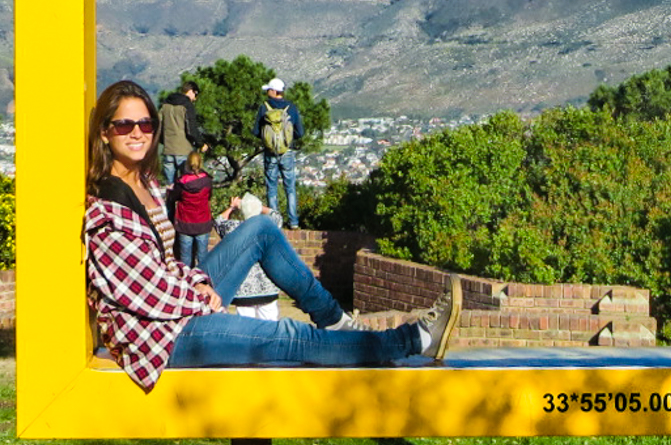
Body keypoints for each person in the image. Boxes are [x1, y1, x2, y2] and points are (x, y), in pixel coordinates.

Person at [85, 80, 461, 391]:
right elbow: (143, 293)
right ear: (104, 133)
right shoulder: (107, 205)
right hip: (159, 339)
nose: (136, 133)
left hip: (177, 307)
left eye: (146, 124)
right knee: (286, 335)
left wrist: (199, 281)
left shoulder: (145, 183)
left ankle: (335, 320)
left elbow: (166, 265)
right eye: (123, 125)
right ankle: (414, 340)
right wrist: (202, 299)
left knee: (262, 229)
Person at [214, 193, 284, 320]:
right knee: (271, 328)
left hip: (243, 289)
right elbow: (276, 215)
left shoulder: (233, 228)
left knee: (247, 329)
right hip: (267, 288)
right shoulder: (269, 226)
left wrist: (233, 207)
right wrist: (258, 206)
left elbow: (219, 221)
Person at [255, 77, 304, 229]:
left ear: (274, 91)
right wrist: (287, 140)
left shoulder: (264, 107)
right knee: (290, 187)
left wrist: (269, 140)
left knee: (272, 186)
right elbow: (300, 132)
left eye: (268, 90)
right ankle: (293, 221)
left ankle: (274, 221)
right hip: (287, 151)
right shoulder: (291, 108)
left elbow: (256, 131)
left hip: (270, 152)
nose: (267, 92)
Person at [171, 150, 215, 268]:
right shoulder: (207, 181)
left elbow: (173, 197)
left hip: (185, 223)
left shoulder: (181, 183)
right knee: (203, 257)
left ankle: (186, 282)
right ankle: (203, 282)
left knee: (185, 257)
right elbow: (209, 196)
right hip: (203, 222)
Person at [157, 80, 206, 186]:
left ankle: (170, 202)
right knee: (187, 184)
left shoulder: (165, 105)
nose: (195, 98)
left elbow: (157, 125)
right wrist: (200, 144)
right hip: (183, 150)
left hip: (168, 150)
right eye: (195, 94)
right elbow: (191, 130)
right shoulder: (187, 106)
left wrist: (164, 141)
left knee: (170, 186)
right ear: (191, 91)